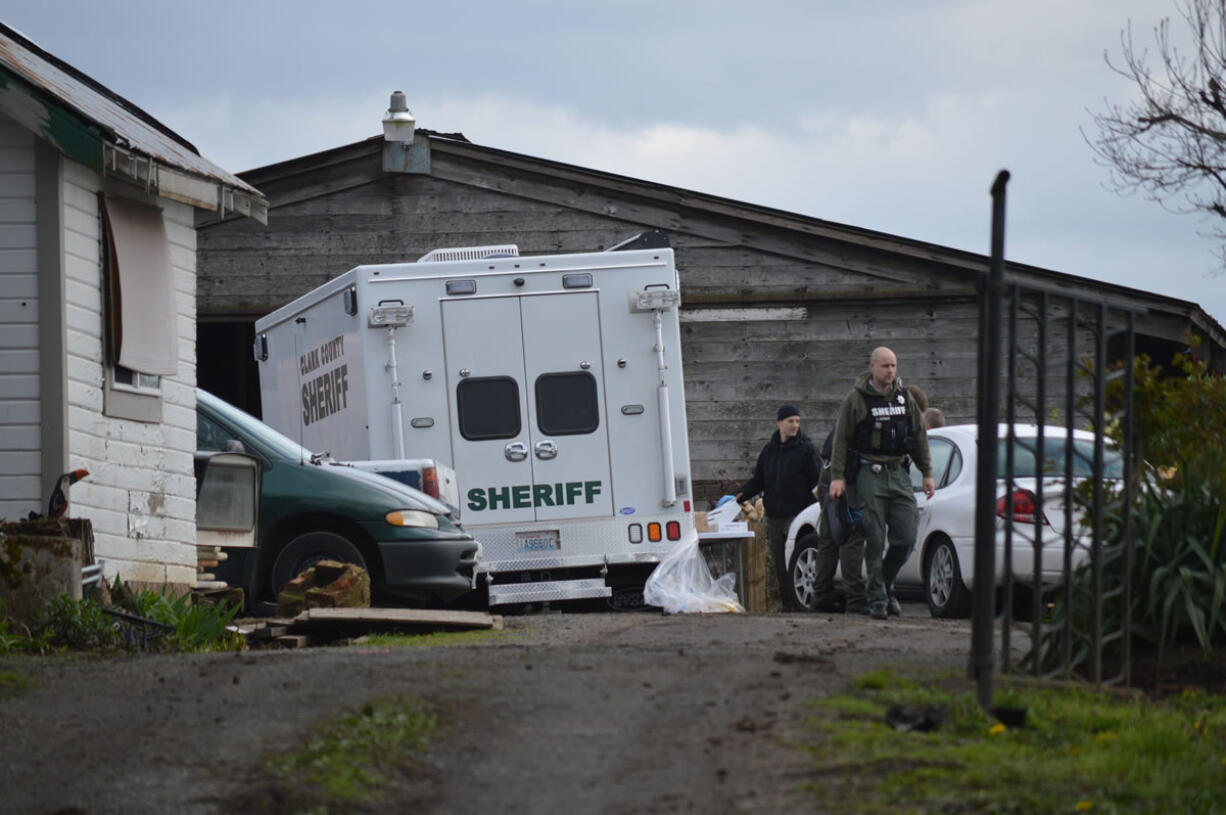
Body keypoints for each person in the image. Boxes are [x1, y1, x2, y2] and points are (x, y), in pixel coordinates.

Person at [829, 348, 934, 620]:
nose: (890, 371)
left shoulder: (904, 397)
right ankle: (877, 599)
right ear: (873, 367)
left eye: (894, 366)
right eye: (885, 366)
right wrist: (837, 476)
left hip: (898, 472)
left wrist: (927, 472)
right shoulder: (857, 399)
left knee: (907, 537)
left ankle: (885, 585)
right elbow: (841, 439)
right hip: (869, 472)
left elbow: (919, 436)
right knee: (874, 538)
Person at [736, 404, 821, 611]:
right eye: (790, 421)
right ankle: (787, 606)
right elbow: (758, 481)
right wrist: (739, 495)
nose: (795, 425)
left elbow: (818, 482)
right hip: (775, 517)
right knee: (780, 565)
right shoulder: (769, 451)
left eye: (797, 421)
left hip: (799, 515)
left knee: (797, 563)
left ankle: (806, 606)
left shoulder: (807, 450)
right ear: (779, 423)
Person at [806, 429, 867, 613]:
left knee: (829, 538)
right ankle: (855, 599)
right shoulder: (863, 416)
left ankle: (821, 596)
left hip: (828, 481)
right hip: (847, 481)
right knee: (852, 536)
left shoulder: (842, 423)